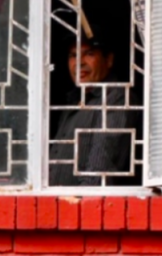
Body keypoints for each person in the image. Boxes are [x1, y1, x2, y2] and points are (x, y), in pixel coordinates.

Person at [49, 29, 141, 186]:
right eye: (73, 55)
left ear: (109, 60)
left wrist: (78, 207)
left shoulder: (117, 98)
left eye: (89, 54)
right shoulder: (73, 100)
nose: (80, 62)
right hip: (56, 206)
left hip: (81, 207)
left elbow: (99, 172)